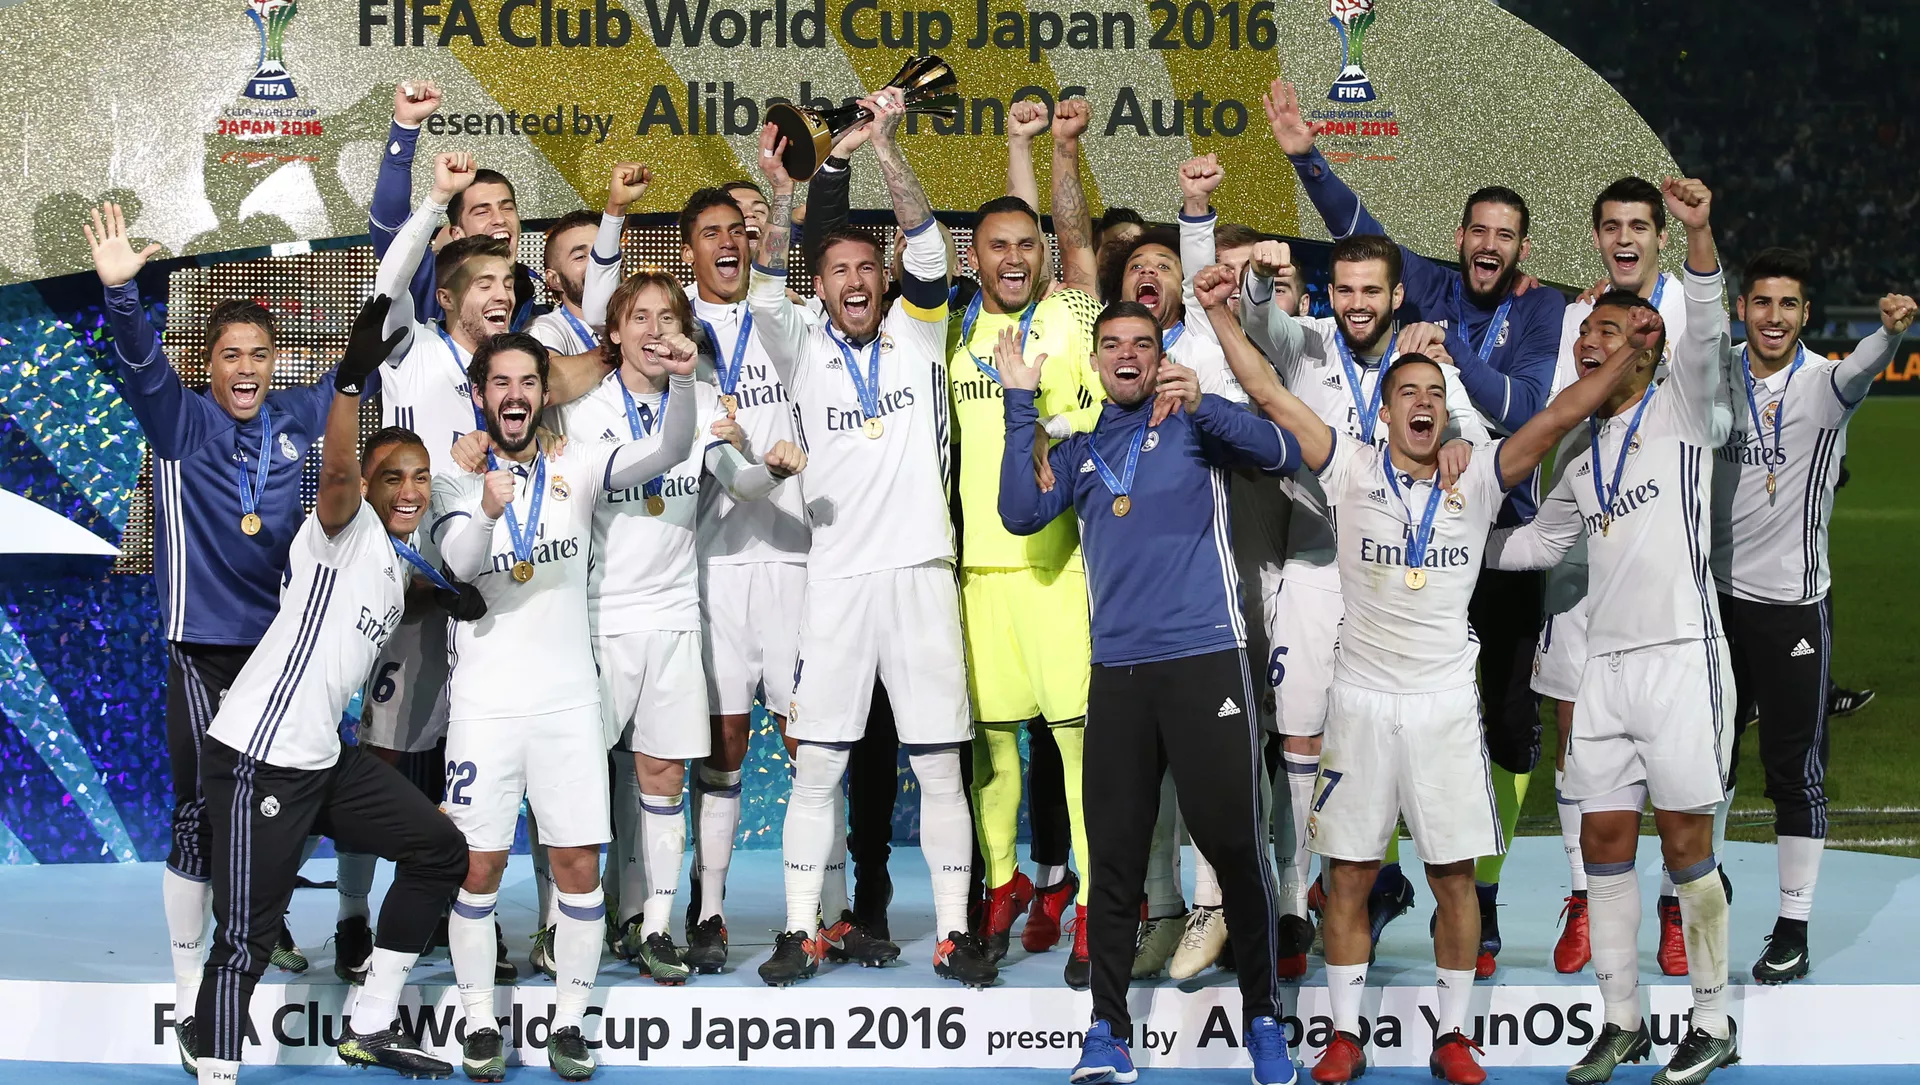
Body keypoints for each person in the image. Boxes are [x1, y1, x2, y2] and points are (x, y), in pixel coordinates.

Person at [1202, 260, 1657, 1085]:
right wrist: (1221, 316)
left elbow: (1559, 414)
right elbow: (1267, 392)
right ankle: (1345, 1035)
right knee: (1348, 876)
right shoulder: (1347, 465)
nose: (1421, 402)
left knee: (1454, 880)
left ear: (1446, 412)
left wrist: (1629, 356)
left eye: (1433, 395)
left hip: (1444, 708)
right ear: (1384, 411)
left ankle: (1452, 1035)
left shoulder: (1476, 475)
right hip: (1360, 705)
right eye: (1406, 392)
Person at [1266, 79, 1565, 973]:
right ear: (1461, 236)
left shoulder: (1539, 307)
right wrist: (1305, 156)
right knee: (1386, 714)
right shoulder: (1426, 279)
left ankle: (1486, 889)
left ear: (1520, 248)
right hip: (1404, 540)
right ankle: (1382, 873)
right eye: (1478, 231)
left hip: (1494, 542)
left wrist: (1444, 349)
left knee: (1503, 730)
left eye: (1505, 235)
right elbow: (1358, 228)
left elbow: (1525, 408)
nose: (1489, 246)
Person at [997, 301, 1296, 1085]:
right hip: (1120, 674)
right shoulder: (1083, 448)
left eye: (1140, 343)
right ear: (1097, 362)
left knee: (1235, 846)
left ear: (1159, 355)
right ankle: (1107, 1031)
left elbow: (1283, 449)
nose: (1125, 354)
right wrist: (1019, 402)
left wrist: (1208, 403)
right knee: (1116, 860)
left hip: (1207, 661)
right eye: (1111, 345)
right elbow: (1019, 511)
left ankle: (1265, 1019)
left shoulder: (1194, 423)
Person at [1485, 178, 1739, 1085]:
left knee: (1686, 845)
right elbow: (1534, 545)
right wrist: (1441, 538)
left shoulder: (1684, 412)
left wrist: (1699, 235)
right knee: (1600, 844)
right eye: (1584, 332)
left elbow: (1704, 330)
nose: (1587, 342)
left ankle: (1712, 1020)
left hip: (1680, 659)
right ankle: (1622, 1021)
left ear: (1645, 346)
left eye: (1606, 332)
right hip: (1603, 671)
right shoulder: (1581, 453)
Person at [189, 296, 470, 1085]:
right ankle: (215, 1067)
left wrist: (447, 595)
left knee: (439, 849)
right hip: (259, 755)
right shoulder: (343, 528)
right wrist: (349, 384)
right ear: (368, 487)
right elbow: (340, 471)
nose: (409, 490)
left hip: (321, 758)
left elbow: (391, 597)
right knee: (245, 938)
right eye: (393, 477)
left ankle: (370, 1023)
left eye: (420, 476)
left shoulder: (396, 561)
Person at [747, 89, 992, 988]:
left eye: (865, 268)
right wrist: (782, 192)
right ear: (821, 287)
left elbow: (927, 243)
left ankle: (955, 933)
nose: (854, 280)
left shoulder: (920, 336)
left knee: (940, 769)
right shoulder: (798, 345)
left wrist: (885, 146)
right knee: (818, 769)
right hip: (839, 581)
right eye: (838, 270)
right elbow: (764, 281)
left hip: (922, 573)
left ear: (881, 281)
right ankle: (801, 928)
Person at [87, 200, 329, 1074]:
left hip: (279, 660)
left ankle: (262, 929)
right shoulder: (180, 423)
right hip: (201, 655)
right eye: (231, 354)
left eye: (260, 354)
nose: (247, 367)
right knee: (197, 818)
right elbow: (141, 362)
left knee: (279, 811)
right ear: (208, 364)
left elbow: (368, 354)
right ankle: (192, 987)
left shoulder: (294, 421)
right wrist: (123, 294)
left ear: (276, 362)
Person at [431, 331, 699, 1081]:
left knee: (579, 864)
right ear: (481, 395)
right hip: (484, 709)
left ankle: (570, 1024)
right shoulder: (454, 479)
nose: (515, 394)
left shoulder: (576, 461)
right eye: (500, 383)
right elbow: (458, 565)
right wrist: (488, 510)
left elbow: (668, 452)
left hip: (568, 705)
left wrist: (681, 382)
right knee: (478, 866)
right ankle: (479, 1022)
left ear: (544, 394)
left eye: (528, 382)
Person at [1233, 234, 1490, 973]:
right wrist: (1257, 282)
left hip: (1396, 574)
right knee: (1301, 736)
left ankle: (1367, 883)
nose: (1355, 303)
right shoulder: (1308, 340)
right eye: (1344, 289)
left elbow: (1474, 434)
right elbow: (1259, 324)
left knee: (1388, 731)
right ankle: (1295, 897)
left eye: (1371, 290)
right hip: (1316, 559)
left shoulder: (1427, 364)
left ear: (1396, 295)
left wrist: (1460, 440)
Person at [557, 249, 808, 983]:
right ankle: (563, 921)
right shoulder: (583, 411)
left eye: (667, 318)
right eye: (639, 318)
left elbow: (739, 482)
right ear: (615, 332)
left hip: (673, 615)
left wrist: (772, 469)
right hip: (600, 616)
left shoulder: (701, 400)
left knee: (664, 775)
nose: (654, 330)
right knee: (579, 778)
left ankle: (659, 929)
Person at [1710, 251, 1913, 983]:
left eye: (1788, 305)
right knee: (1707, 758)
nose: (1774, 317)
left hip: (1792, 608)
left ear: (1805, 314)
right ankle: (1703, 881)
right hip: (1714, 600)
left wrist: (1890, 333)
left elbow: (1860, 367)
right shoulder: (1718, 373)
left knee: (1793, 770)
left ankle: (1792, 927)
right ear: (1742, 309)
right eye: (1762, 303)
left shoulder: (1825, 384)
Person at [953, 98, 1104, 986]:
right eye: (997, 247)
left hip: (1058, 569)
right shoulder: (951, 331)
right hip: (977, 575)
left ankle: (1090, 906)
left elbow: (1071, 237)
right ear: (972, 260)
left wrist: (1056, 151)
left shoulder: (1072, 318)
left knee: (1078, 752)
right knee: (993, 750)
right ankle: (1004, 884)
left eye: (1027, 245)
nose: (1014, 258)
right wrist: (1015, 145)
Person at [1538, 177, 1691, 976]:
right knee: (1574, 728)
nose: (1624, 238)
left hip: (1668, 559)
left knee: (1681, 751)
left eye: (1638, 225)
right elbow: (1557, 410)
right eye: (1611, 226)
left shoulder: (1690, 310)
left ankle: (1673, 902)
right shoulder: (1577, 315)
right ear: (1596, 236)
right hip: (1586, 542)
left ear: (1661, 236)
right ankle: (1582, 896)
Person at [375, 152, 607, 474]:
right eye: (484, 285)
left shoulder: (516, 368)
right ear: (446, 299)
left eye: (507, 285)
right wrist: (438, 198)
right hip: (417, 507)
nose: (502, 296)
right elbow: (391, 284)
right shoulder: (413, 348)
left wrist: (531, 439)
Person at [372, 79, 538, 329]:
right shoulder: (435, 284)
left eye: (507, 208)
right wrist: (405, 127)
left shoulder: (533, 306)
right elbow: (390, 223)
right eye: (482, 211)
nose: (499, 219)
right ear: (457, 234)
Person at [526, 208, 611, 372]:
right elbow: (552, 379)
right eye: (580, 257)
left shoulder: (644, 322)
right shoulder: (544, 329)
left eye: (603, 253)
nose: (599, 264)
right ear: (554, 280)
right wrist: (622, 347)